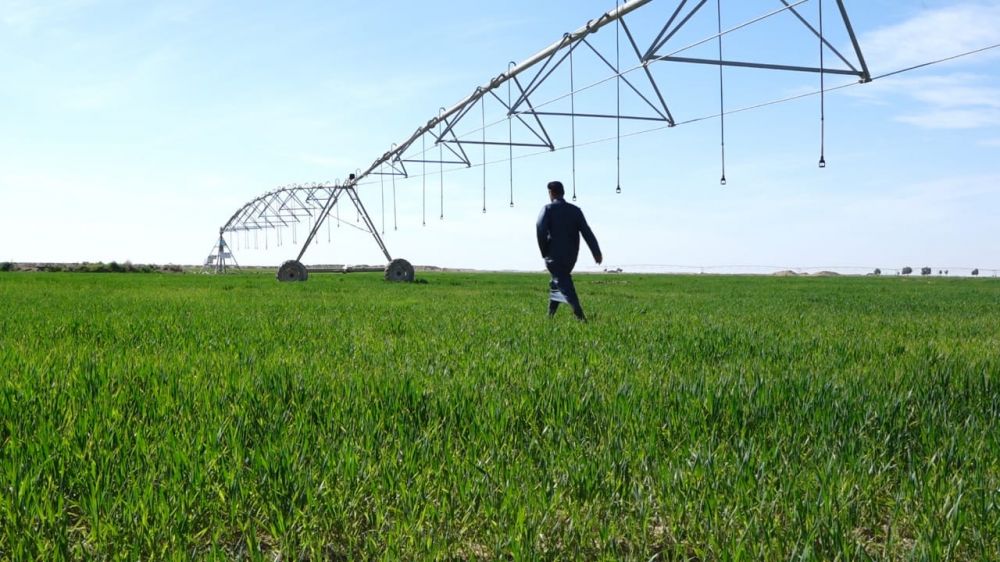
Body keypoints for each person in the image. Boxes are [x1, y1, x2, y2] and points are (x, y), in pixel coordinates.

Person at [536, 180, 602, 320]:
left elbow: (540, 229)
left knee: (564, 283)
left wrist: (544, 251)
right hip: (571, 257)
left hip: (553, 256)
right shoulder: (575, 211)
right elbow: (587, 232)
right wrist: (596, 252)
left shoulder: (548, 209)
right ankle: (550, 316)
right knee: (557, 282)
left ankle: (580, 317)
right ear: (563, 192)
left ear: (551, 193)